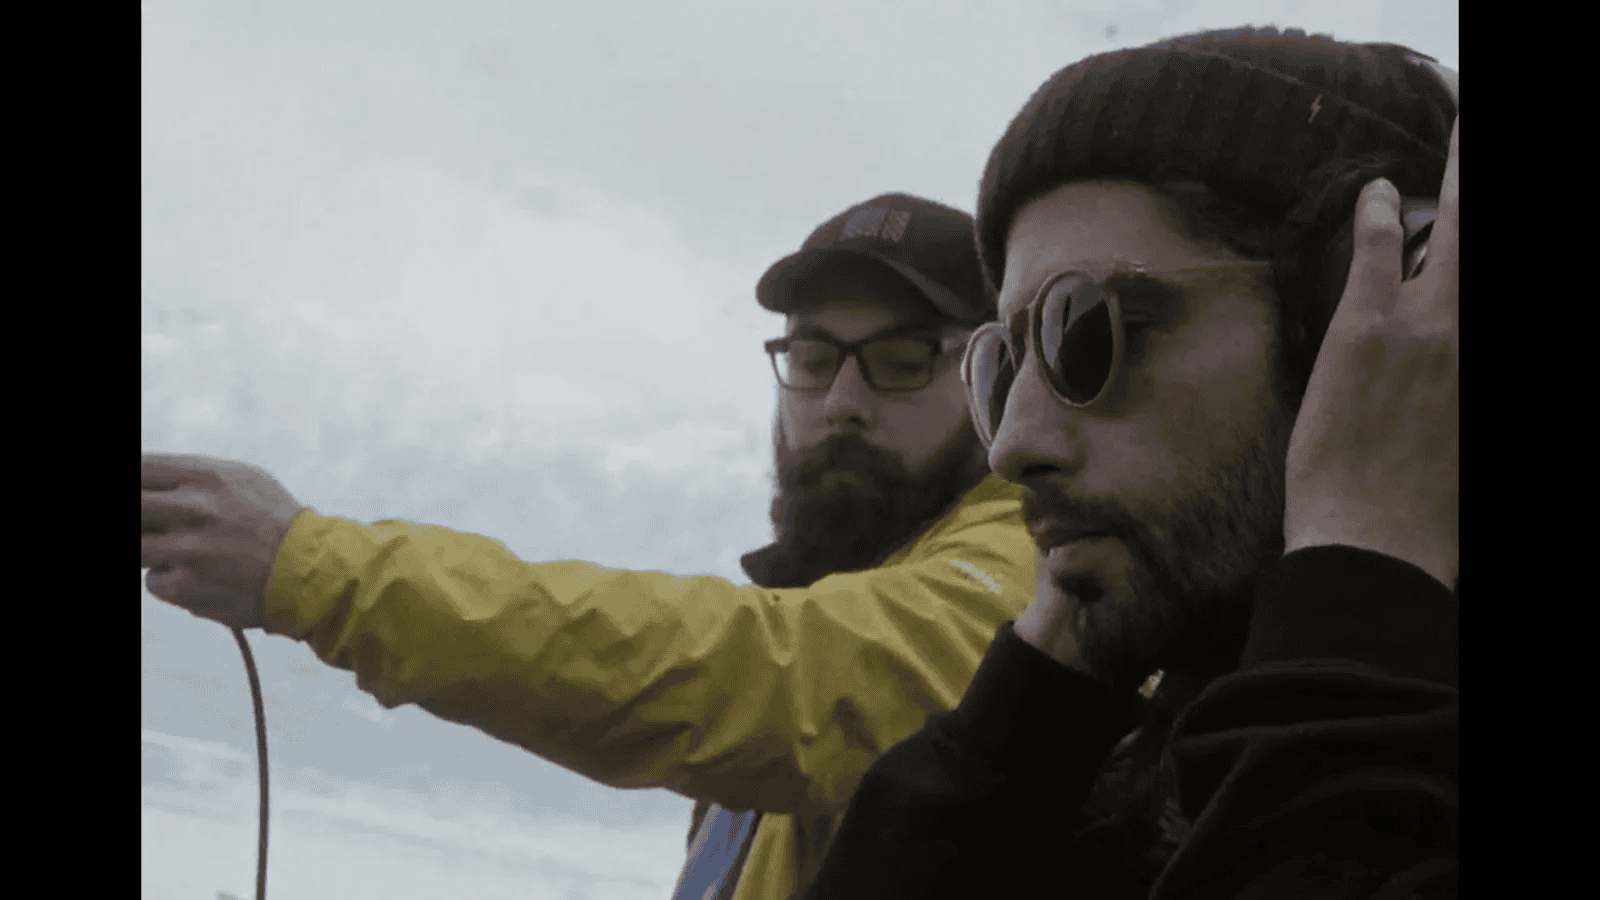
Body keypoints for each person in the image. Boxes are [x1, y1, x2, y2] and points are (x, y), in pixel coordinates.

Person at [140, 193, 1041, 900]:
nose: (842, 402)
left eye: (902, 360)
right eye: (812, 360)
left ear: (991, 378)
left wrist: (310, 568)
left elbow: (774, 675)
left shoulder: (1033, 573)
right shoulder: (822, 634)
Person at [797, 27, 1458, 900]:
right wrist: (1035, 705)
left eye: (1086, 330)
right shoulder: (1151, 755)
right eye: (1003, 366)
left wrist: (1360, 583)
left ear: (1349, 316)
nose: (1010, 446)